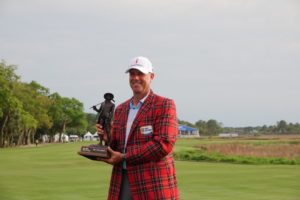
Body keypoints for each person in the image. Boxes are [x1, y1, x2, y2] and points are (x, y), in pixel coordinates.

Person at [96, 56, 179, 200]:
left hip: (152, 183)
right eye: (132, 74)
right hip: (121, 181)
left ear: (151, 76)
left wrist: (124, 157)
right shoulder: (121, 109)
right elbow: (117, 146)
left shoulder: (164, 105)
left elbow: (163, 144)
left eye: (140, 73)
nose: (135, 78)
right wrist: (106, 137)